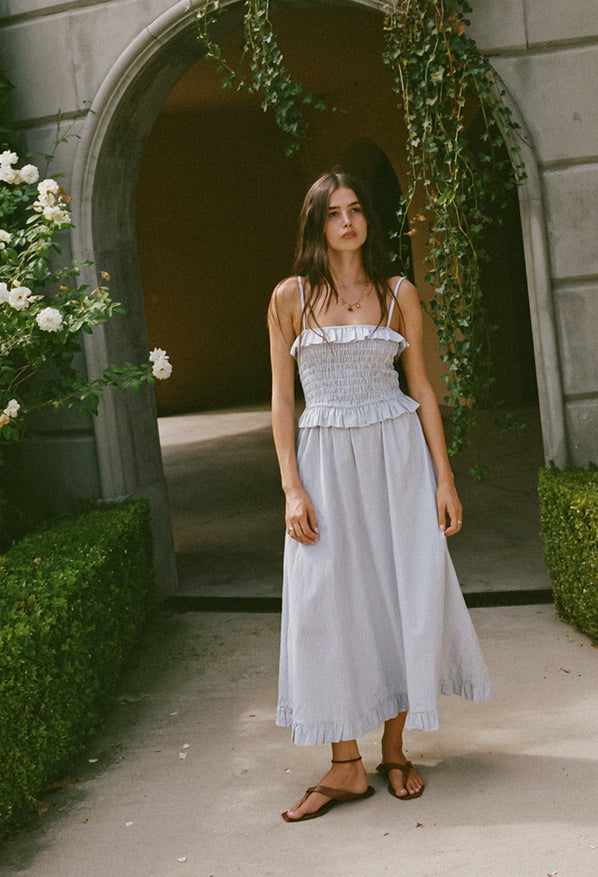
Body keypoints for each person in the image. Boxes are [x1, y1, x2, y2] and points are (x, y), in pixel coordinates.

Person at [267, 171, 493, 823]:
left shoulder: (398, 294)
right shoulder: (290, 299)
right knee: (330, 601)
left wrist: (444, 478)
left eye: (356, 209)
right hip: (324, 465)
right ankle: (344, 765)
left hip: (397, 460)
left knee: (400, 594)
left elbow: (421, 385)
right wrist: (290, 487)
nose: (347, 221)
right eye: (333, 212)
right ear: (315, 224)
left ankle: (394, 751)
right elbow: (283, 400)